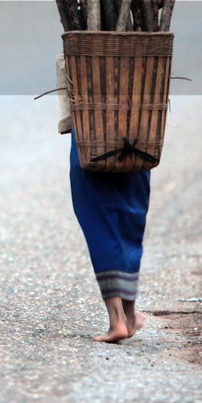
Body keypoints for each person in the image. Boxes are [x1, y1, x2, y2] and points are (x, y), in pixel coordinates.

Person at [58, 56, 149, 342]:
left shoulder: (72, 54)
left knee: (101, 228)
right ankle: (130, 314)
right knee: (130, 225)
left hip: (90, 145)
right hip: (137, 143)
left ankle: (116, 320)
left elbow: (68, 118)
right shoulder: (146, 52)